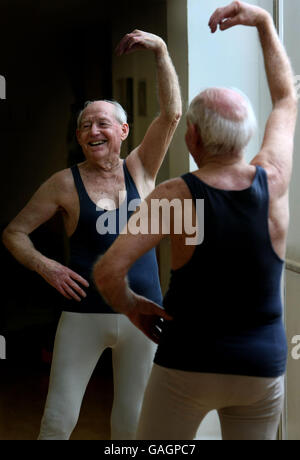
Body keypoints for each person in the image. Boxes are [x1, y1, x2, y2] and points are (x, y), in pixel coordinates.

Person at [93, 1, 298, 440]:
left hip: (188, 363)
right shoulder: (274, 181)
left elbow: (108, 271)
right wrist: (262, 21)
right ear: (247, 136)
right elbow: (285, 97)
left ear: (192, 137)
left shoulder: (175, 196)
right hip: (261, 368)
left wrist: (135, 308)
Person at [2, 30, 181, 440]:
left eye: (102, 122)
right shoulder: (63, 184)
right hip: (82, 318)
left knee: (133, 422)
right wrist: (46, 266)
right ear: (80, 136)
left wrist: (161, 51)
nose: (93, 130)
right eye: (85, 125)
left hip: (143, 316)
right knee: (58, 420)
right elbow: (14, 233)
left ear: (123, 131)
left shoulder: (141, 169)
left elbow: (171, 114)